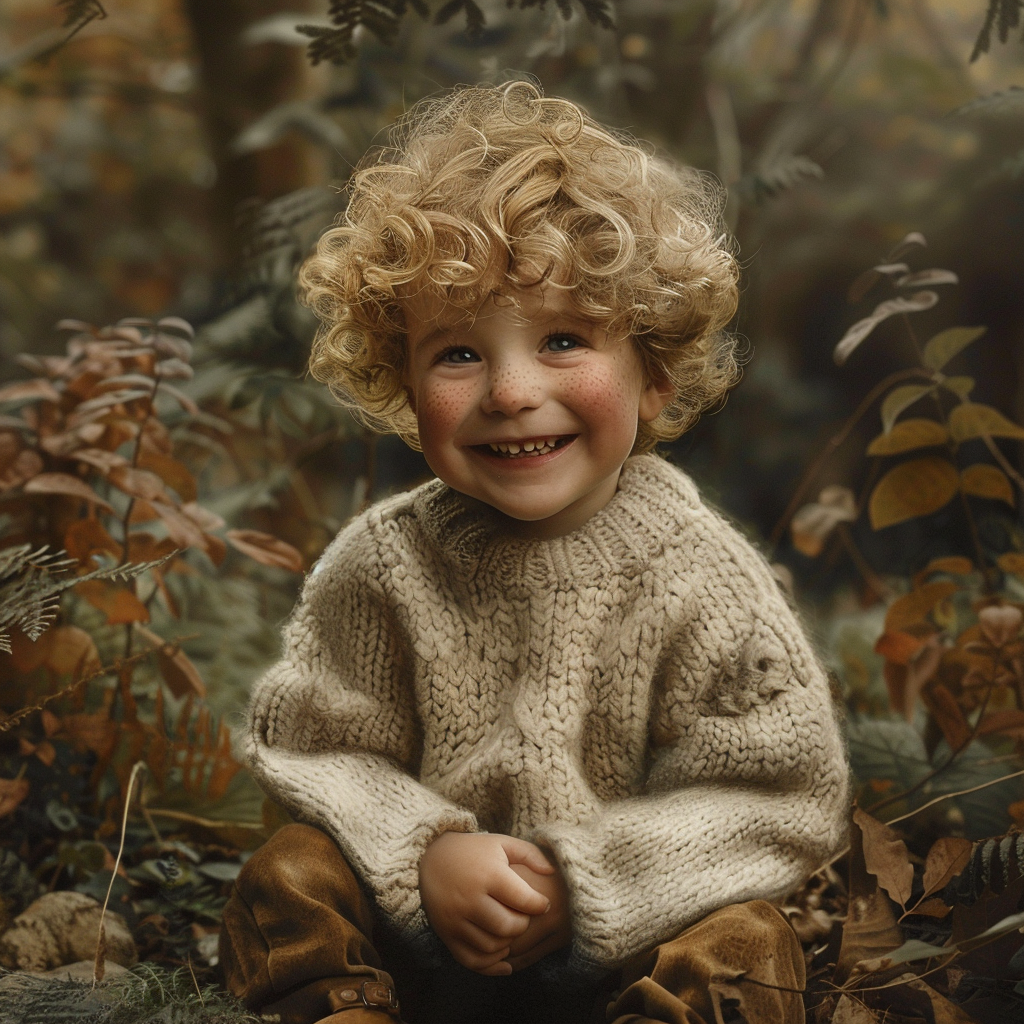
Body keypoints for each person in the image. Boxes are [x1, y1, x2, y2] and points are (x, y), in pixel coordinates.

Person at [218, 81, 849, 1024]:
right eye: (457, 354)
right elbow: (316, 748)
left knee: (752, 942)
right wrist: (420, 849)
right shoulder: (383, 566)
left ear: (656, 372)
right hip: (413, 950)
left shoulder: (700, 576)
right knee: (288, 874)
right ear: (402, 381)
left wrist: (582, 883)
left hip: (624, 956)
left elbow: (776, 792)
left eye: (563, 340)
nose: (512, 391)